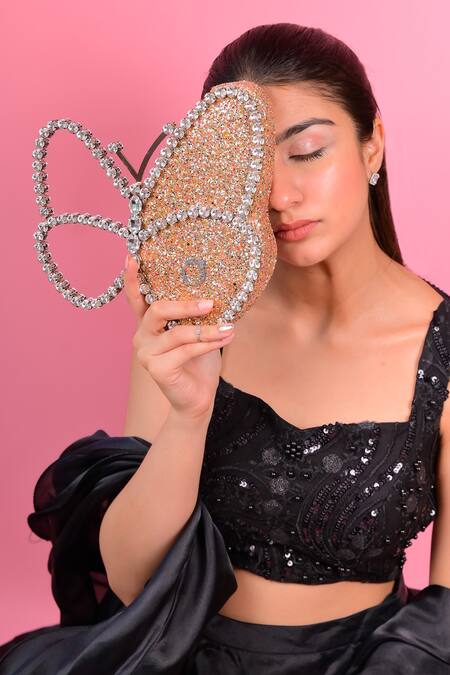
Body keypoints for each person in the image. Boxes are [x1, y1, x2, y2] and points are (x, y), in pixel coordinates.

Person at [1, 21, 450, 675]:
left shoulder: (440, 350)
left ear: (372, 142)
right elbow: (131, 578)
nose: (280, 197)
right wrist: (188, 413)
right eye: (252, 168)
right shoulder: (195, 311)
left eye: (307, 152)